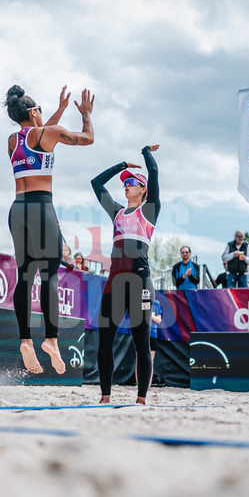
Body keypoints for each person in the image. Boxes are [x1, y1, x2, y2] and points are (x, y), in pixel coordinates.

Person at [6, 84, 95, 375]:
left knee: (25, 277)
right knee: (51, 274)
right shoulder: (49, 134)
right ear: (33, 112)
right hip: (41, 208)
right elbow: (88, 139)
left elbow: (40, 133)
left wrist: (57, 110)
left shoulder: (12, 139)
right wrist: (86, 115)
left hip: (17, 210)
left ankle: (25, 342)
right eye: (40, 110)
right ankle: (52, 340)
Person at [91, 144, 160, 404]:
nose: (126, 185)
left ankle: (141, 399)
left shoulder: (149, 210)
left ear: (143, 189)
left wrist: (145, 153)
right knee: (104, 340)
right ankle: (105, 396)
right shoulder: (117, 211)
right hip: (115, 283)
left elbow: (153, 171)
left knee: (141, 343)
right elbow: (96, 183)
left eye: (131, 182)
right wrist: (121, 166)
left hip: (140, 280)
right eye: (125, 183)